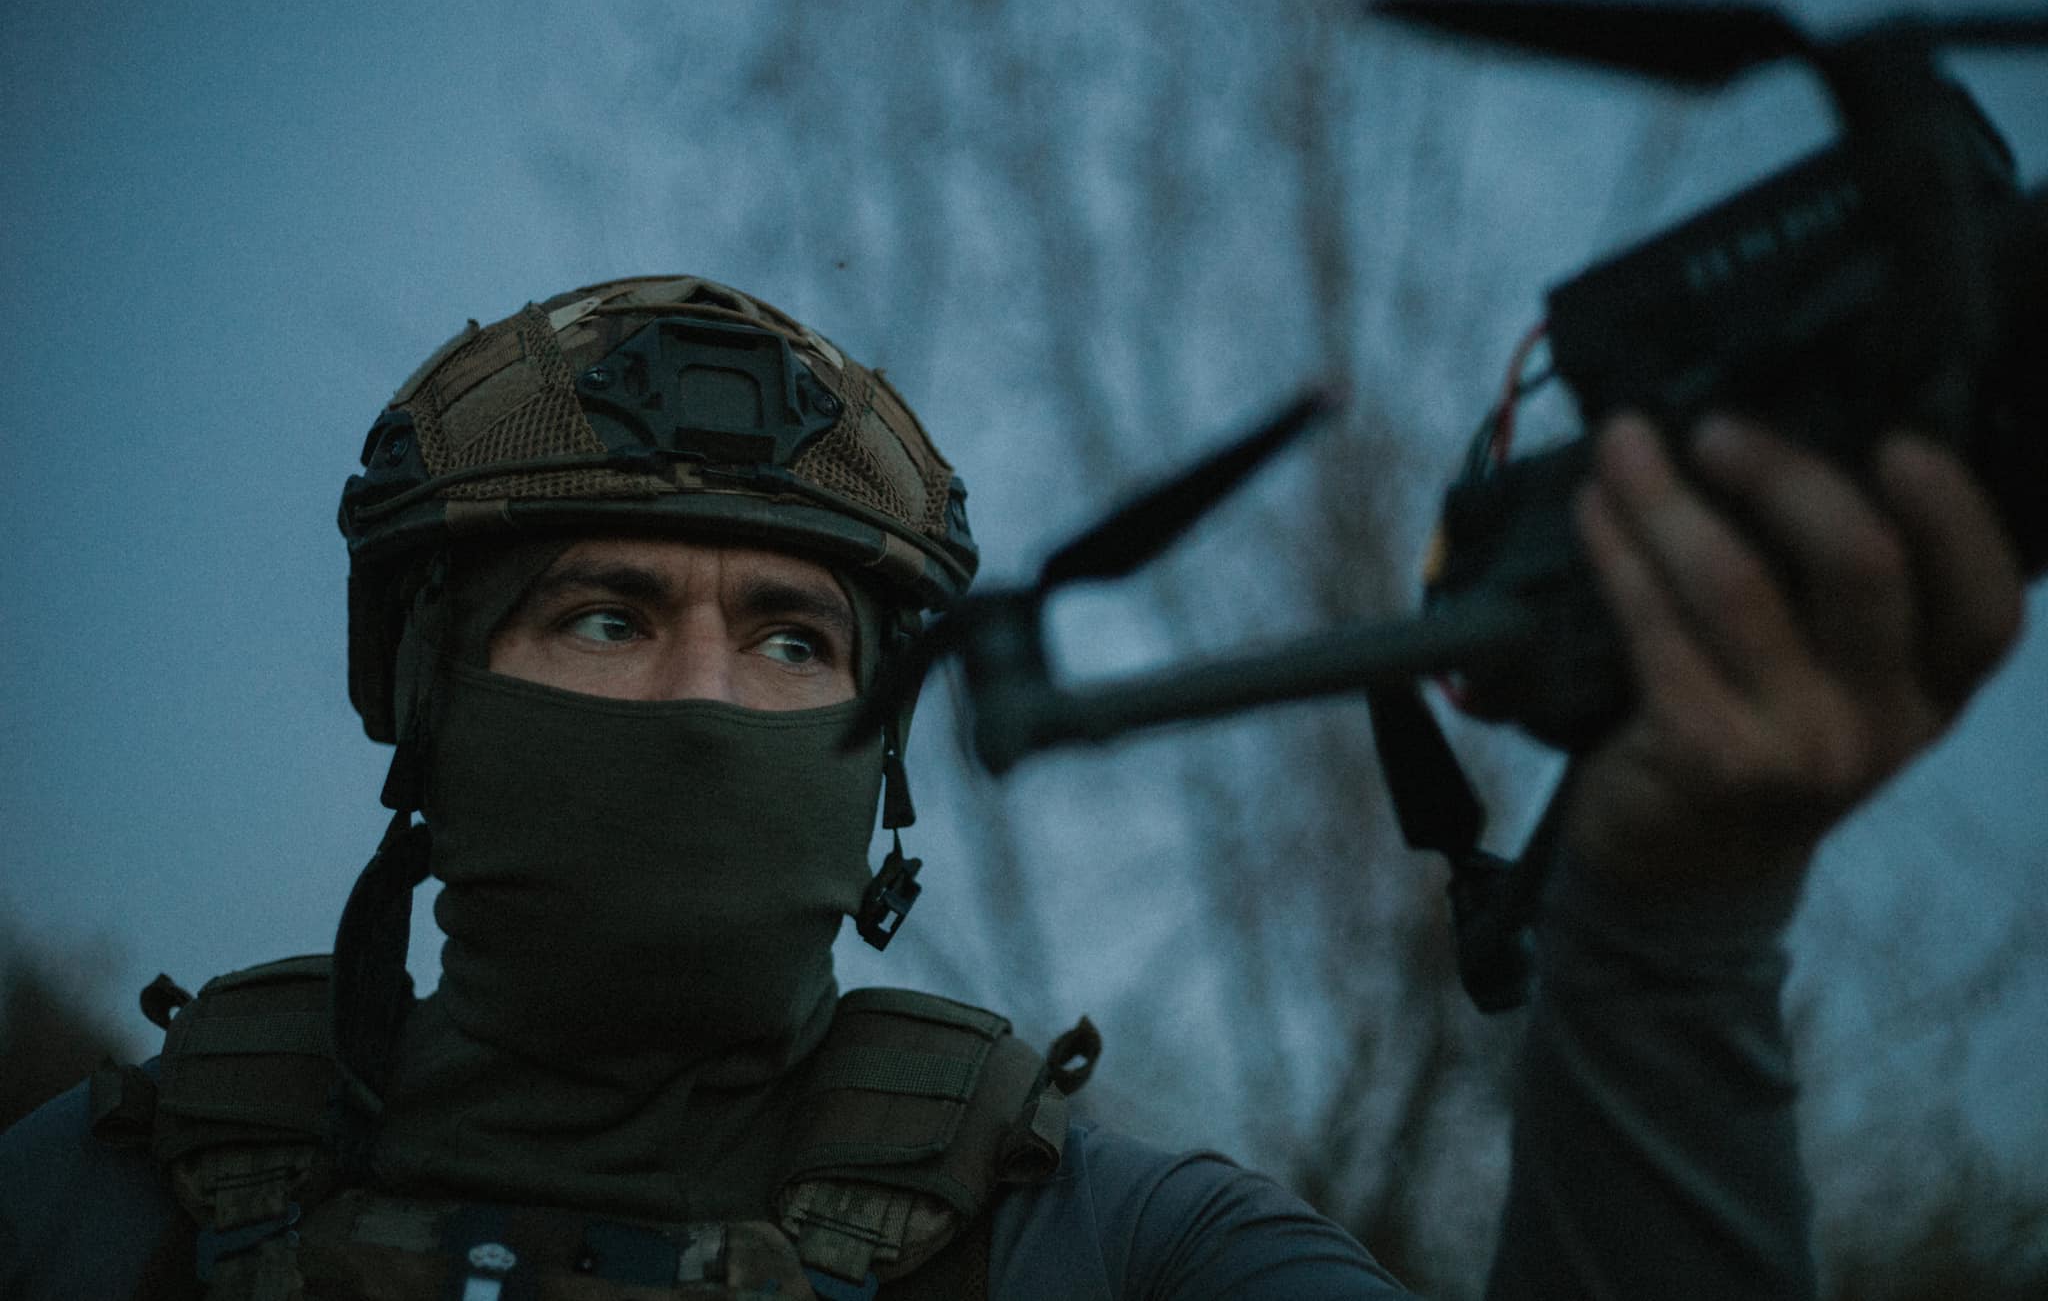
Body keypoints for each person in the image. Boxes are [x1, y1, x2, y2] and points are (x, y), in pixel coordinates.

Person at [0, 275, 2024, 1299]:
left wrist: (1671, 924)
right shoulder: (106, 1194)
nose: (709, 697)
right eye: (605, 616)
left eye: (796, 640)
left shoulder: (1110, 1241)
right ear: (429, 703)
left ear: (876, 743)